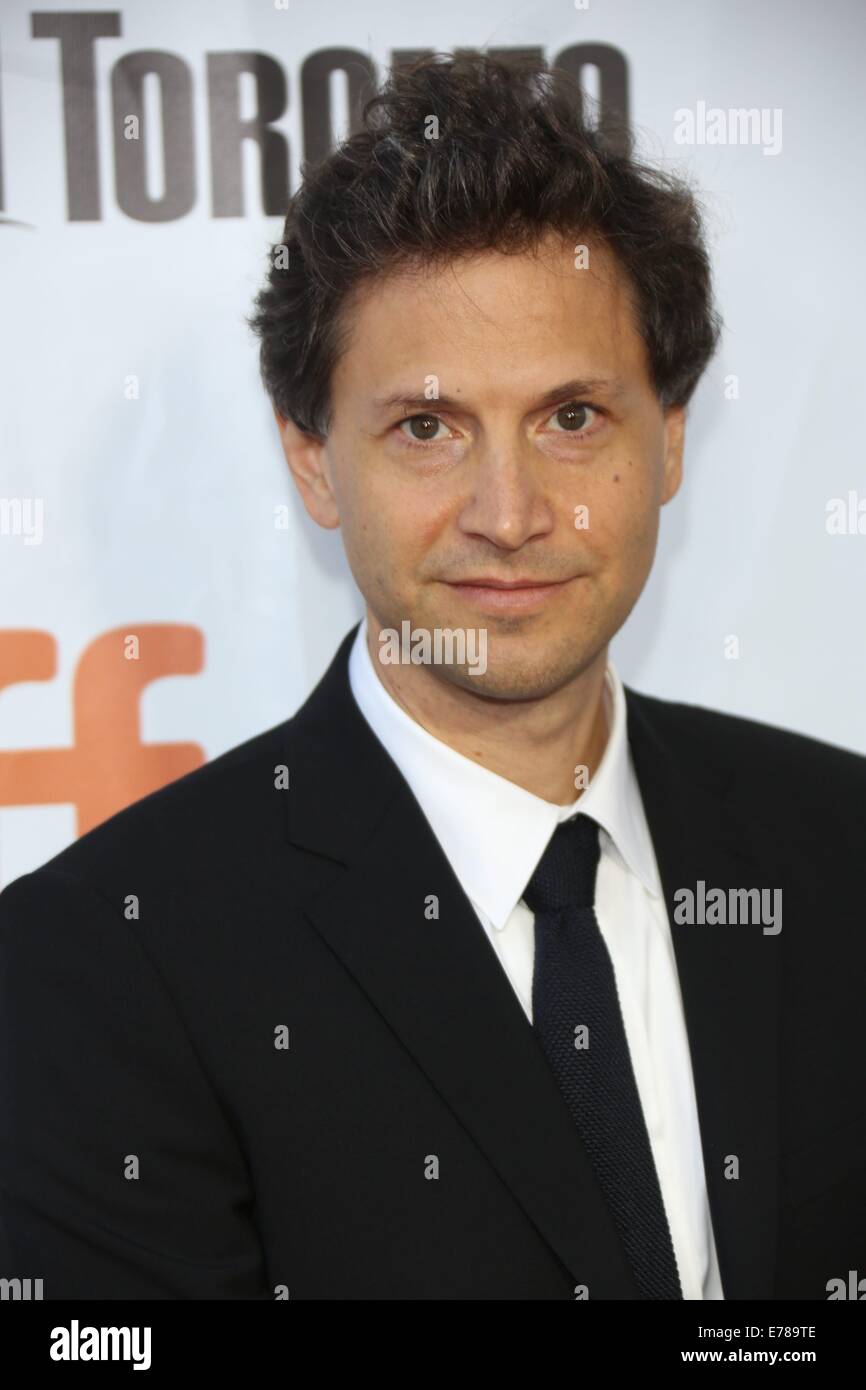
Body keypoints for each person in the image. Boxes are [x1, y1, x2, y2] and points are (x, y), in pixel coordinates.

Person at [1, 52, 864, 1301]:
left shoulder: (837, 844)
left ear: (667, 438)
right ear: (310, 459)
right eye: (425, 427)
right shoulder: (95, 970)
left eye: (571, 417)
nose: (508, 515)